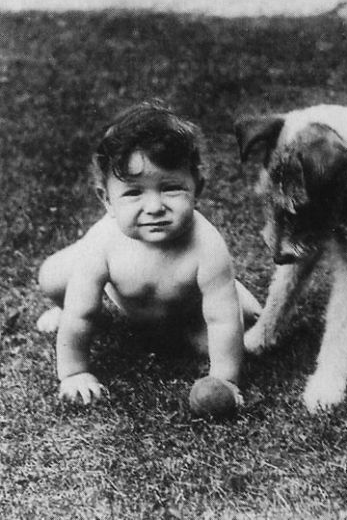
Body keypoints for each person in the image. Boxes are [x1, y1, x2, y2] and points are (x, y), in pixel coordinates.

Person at [37, 99, 261, 413]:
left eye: (170, 188)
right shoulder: (103, 241)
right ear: (107, 200)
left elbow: (221, 320)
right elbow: (82, 314)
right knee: (51, 276)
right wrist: (74, 372)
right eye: (133, 193)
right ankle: (58, 303)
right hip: (122, 297)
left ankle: (233, 292)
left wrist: (226, 380)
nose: (154, 207)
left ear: (198, 187)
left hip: (186, 308)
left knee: (235, 330)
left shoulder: (207, 245)